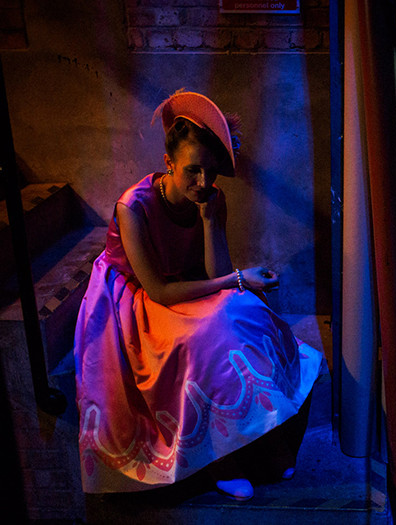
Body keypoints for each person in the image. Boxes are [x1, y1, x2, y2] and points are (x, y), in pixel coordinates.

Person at [73, 90, 324, 501]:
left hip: (188, 282)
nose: (203, 183)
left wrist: (210, 224)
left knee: (249, 314)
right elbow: (159, 290)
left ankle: (267, 444)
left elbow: (217, 274)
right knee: (204, 336)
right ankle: (218, 462)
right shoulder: (131, 207)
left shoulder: (210, 199)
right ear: (168, 163)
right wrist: (238, 279)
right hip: (135, 299)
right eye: (192, 171)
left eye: (211, 172)